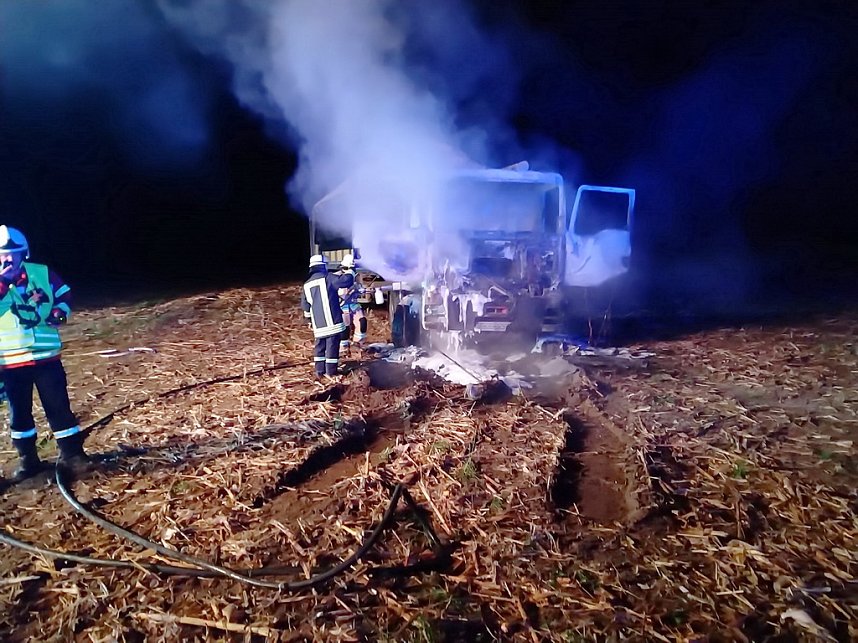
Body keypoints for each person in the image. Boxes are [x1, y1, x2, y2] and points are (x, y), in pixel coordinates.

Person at [0, 225, 90, 482]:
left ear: (24, 253)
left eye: (13, 253)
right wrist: (4, 282)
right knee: (20, 413)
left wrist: (60, 312)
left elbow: (64, 294)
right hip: (11, 362)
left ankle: (73, 455)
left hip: (46, 358)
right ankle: (28, 461)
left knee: (58, 407)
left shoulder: (41, 273)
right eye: (2, 254)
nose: (8, 258)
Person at [301, 254, 355, 378]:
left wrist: (309, 320)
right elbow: (346, 281)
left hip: (318, 324)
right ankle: (331, 372)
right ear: (323, 266)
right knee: (332, 346)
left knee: (320, 347)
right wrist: (350, 269)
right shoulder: (328, 278)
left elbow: (305, 306)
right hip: (332, 322)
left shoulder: (306, 285)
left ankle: (319, 371)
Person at [336, 254, 368, 352]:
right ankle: (343, 347)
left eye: (352, 269)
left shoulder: (356, 276)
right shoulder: (337, 277)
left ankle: (358, 343)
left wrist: (362, 290)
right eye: (347, 268)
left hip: (353, 304)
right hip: (342, 306)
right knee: (344, 327)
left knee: (362, 321)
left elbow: (359, 287)